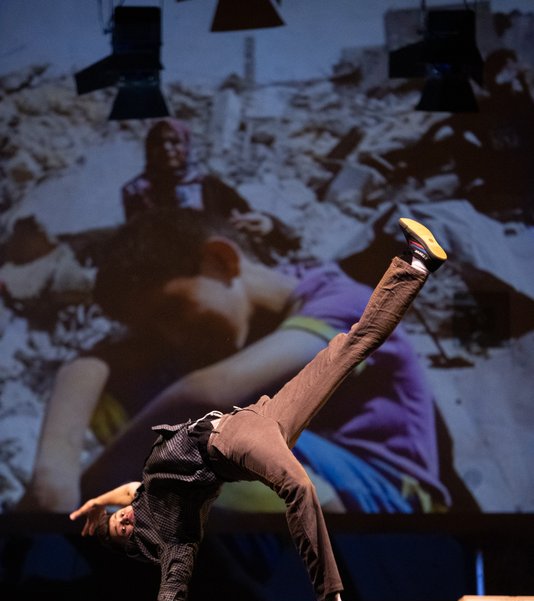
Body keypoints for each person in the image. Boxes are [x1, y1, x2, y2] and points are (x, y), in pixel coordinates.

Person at [69, 218, 448, 601]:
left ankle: (416, 263)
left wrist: (93, 500)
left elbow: (126, 487)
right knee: (297, 490)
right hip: (247, 449)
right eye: (129, 534)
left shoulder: (145, 492)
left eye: (119, 523)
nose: (127, 522)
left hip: (261, 422)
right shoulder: (179, 542)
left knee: (348, 348)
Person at [22, 207, 451, 517]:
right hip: (303, 484)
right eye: (154, 330)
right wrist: (53, 474)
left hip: (386, 497)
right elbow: (91, 366)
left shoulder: (346, 304)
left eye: (171, 313)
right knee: (128, 403)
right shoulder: (261, 300)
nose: (171, 338)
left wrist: (92, 489)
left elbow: (208, 391)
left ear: (221, 260)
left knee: (224, 428)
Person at [122, 117, 300, 262]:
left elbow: (248, 218)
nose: (167, 148)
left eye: (174, 141)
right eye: (158, 143)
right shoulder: (136, 191)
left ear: (187, 145)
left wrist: (265, 224)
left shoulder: (209, 186)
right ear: (148, 149)